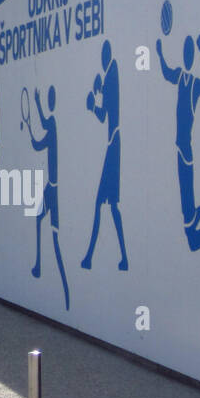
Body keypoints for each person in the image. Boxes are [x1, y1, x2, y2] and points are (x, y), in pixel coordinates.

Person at [158, 31, 200, 253]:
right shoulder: (181, 77)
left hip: (185, 154)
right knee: (189, 224)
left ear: (192, 57)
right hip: (180, 150)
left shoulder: (193, 85)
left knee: (190, 235)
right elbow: (166, 73)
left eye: (189, 52)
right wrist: (158, 53)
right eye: (185, 52)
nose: (186, 56)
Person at [82, 40, 128, 271]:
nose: (101, 60)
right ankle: (121, 258)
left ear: (105, 56)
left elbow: (103, 115)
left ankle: (90, 256)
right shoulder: (112, 74)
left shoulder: (112, 72)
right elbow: (109, 108)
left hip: (113, 146)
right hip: (114, 145)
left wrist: (92, 104)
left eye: (102, 56)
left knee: (102, 203)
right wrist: (99, 93)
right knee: (110, 206)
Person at [26, 86, 69, 310]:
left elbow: (41, 133)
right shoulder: (52, 123)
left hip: (52, 188)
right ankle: (39, 265)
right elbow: (38, 142)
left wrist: (35, 102)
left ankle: (64, 287)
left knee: (55, 238)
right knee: (39, 221)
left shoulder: (51, 123)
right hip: (51, 187)